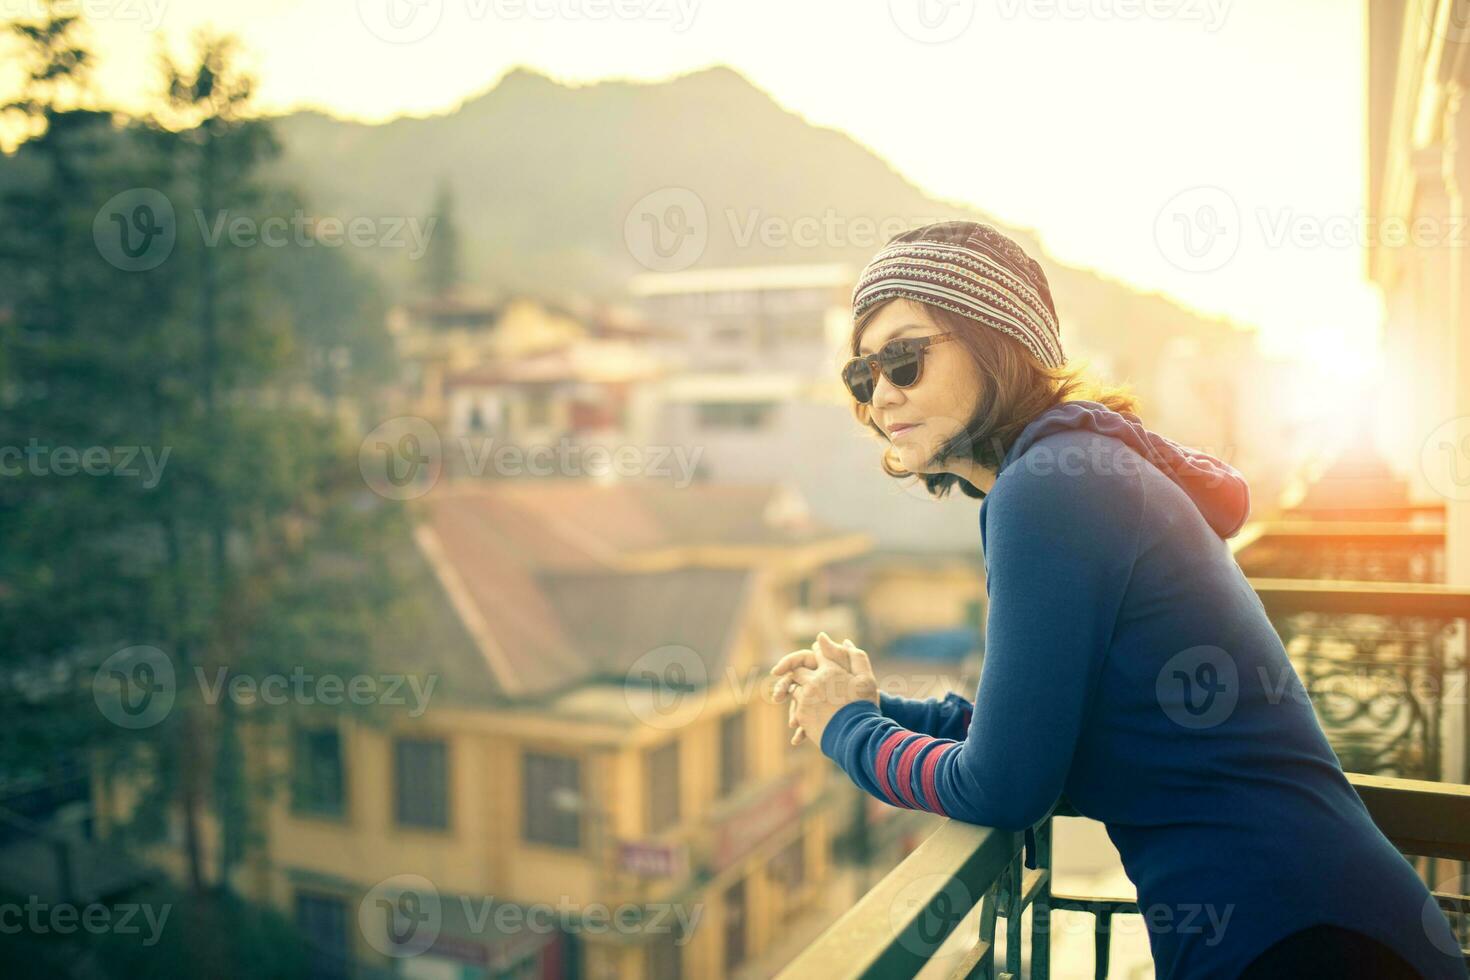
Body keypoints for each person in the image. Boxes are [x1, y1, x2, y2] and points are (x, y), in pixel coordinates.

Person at [771, 220, 1468, 979]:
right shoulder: (1071, 470)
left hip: (1301, 941)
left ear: (997, 340)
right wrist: (869, 706)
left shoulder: (1048, 488)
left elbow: (1002, 787)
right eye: (861, 376)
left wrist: (848, 731)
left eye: (904, 359)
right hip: (1315, 916)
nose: (881, 395)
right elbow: (1031, 734)